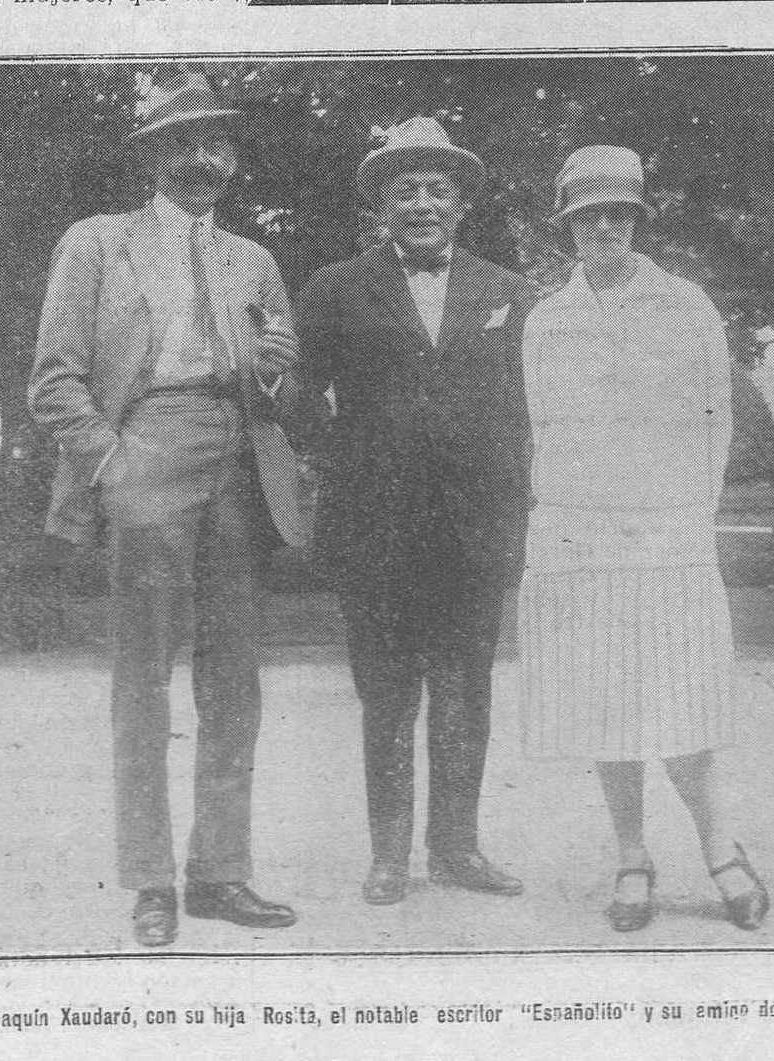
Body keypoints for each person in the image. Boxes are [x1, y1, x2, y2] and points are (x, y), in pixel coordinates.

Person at [29, 69, 311, 947]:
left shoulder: (253, 260)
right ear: (152, 157)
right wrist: (114, 463)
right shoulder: (98, 243)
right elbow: (54, 381)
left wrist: (272, 363)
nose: (201, 159)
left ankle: (222, 871)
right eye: (181, 143)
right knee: (142, 680)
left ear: (232, 160)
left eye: (217, 143)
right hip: (147, 445)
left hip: (241, 458)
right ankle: (151, 880)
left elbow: (286, 381)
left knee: (235, 681)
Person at [519, 146, 769, 933]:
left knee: (681, 704)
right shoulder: (547, 317)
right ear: (569, 226)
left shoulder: (685, 305)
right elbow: (540, 429)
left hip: (668, 537)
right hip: (580, 540)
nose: (603, 227)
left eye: (617, 213)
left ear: (637, 219)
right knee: (604, 707)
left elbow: (715, 420)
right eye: (587, 215)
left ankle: (721, 850)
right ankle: (632, 856)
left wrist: (690, 513)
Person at [294, 118, 536, 906]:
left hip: (475, 528)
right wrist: (347, 458)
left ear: (462, 203)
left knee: (467, 688)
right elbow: (299, 400)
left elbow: (533, 411)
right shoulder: (335, 287)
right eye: (406, 190)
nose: (423, 203)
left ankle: (458, 848)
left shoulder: (510, 293)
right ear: (383, 205)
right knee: (389, 691)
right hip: (378, 529)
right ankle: (390, 855)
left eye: (438, 189)